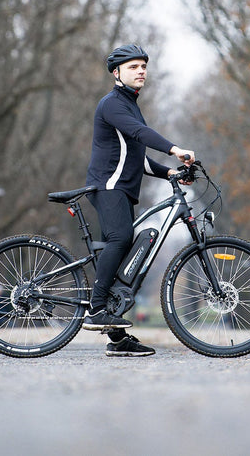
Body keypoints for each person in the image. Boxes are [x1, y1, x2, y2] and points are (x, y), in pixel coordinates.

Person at [82, 44, 195, 357]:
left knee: (123, 260)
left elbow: (137, 157)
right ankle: (94, 310)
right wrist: (175, 149)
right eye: (133, 66)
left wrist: (170, 173)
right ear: (117, 73)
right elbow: (140, 134)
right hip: (108, 187)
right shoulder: (112, 104)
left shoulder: (130, 105)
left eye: (143, 65)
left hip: (120, 188)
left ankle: (117, 339)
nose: (141, 70)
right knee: (121, 238)